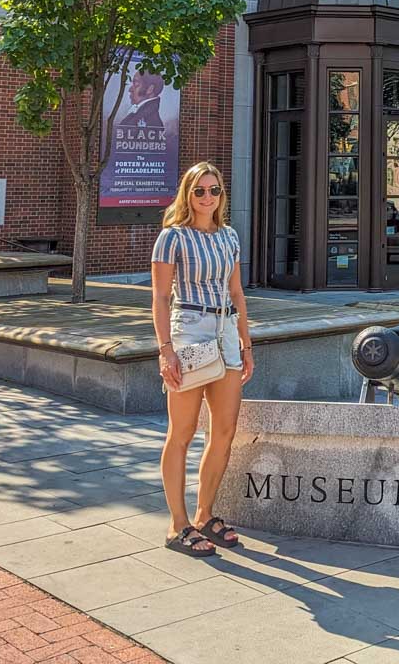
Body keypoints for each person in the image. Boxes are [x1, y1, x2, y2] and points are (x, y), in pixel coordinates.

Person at [151, 161, 254, 556]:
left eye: (213, 190)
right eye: (199, 191)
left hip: (225, 330)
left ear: (221, 195)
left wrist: (245, 344)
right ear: (187, 195)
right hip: (190, 329)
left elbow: (237, 293)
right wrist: (166, 350)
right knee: (182, 432)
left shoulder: (229, 236)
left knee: (224, 430)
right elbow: (160, 297)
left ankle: (204, 514)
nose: (207, 197)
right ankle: (177, 525)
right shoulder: (172, 238)